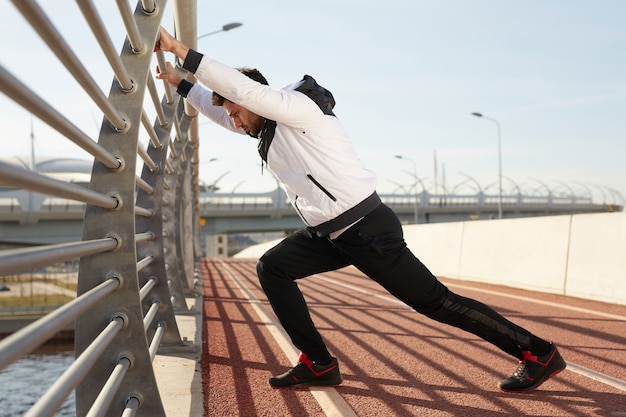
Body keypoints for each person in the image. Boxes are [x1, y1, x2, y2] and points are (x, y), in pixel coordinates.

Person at [155, 26, 566, 392]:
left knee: (436, 303)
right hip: (330, 234)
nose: (236, 122)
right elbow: (228, 110)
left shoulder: (298, 110)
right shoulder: (265, 128)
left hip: (367, 229)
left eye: (239, 112)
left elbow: (244, 93)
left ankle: (538, 351)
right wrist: (179, 82)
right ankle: (318, 363)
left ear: (258, 102)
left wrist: (180, 50)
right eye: (232, 114)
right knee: (273, 267)